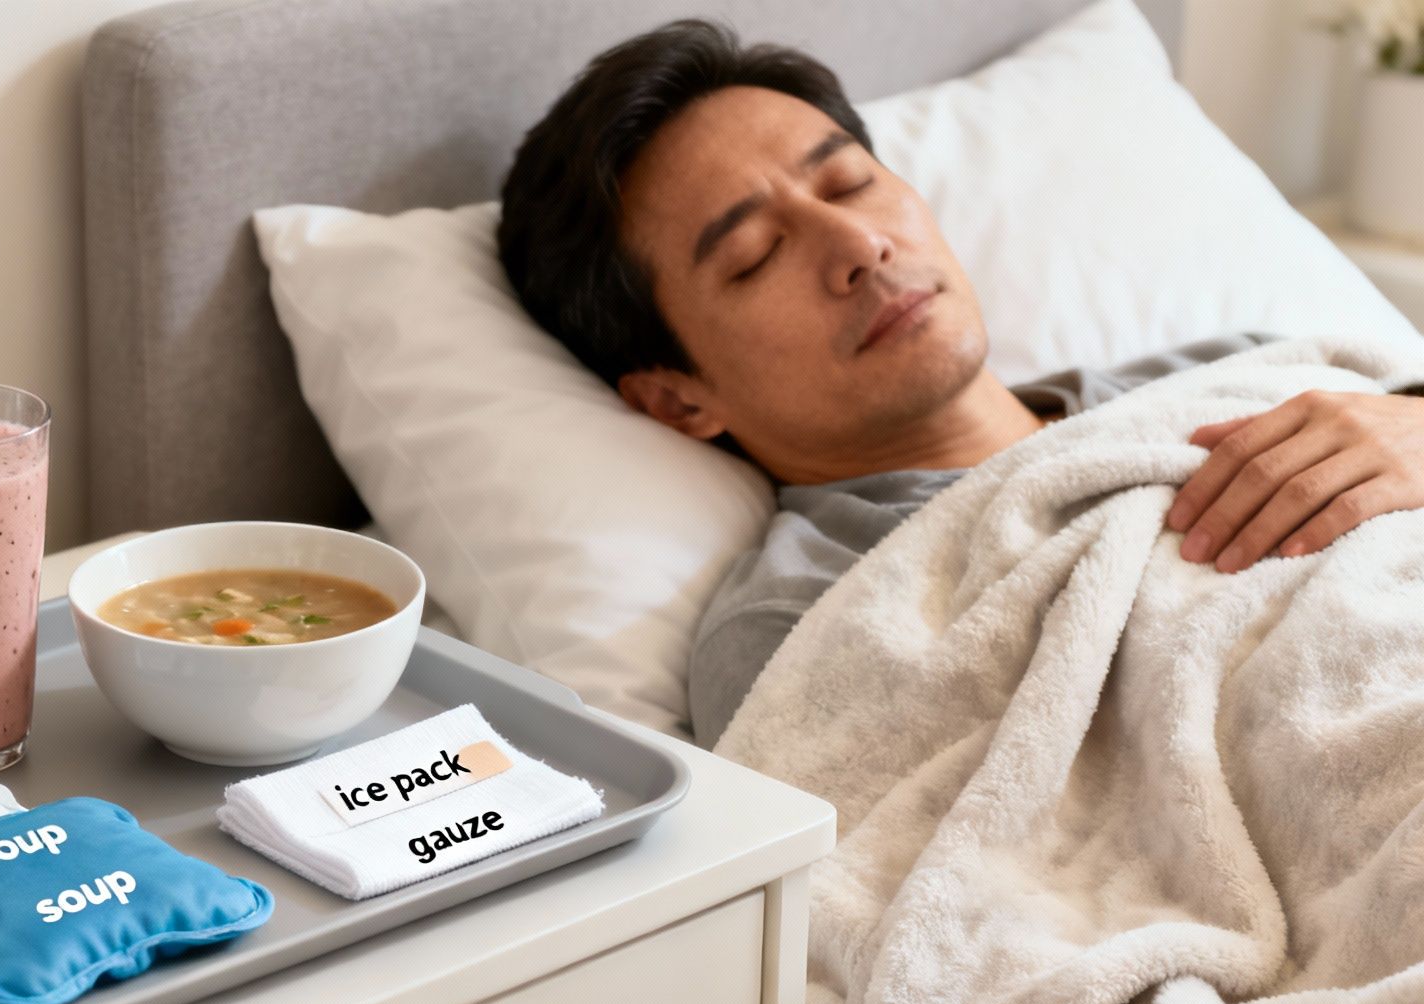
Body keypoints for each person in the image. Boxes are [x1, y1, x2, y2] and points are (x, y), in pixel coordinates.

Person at [494, 19, 1424, 747]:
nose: (858, 247)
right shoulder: (802, 626)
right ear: (677, 398)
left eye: (852, 183)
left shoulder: (1241, 373)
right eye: (756, 254)